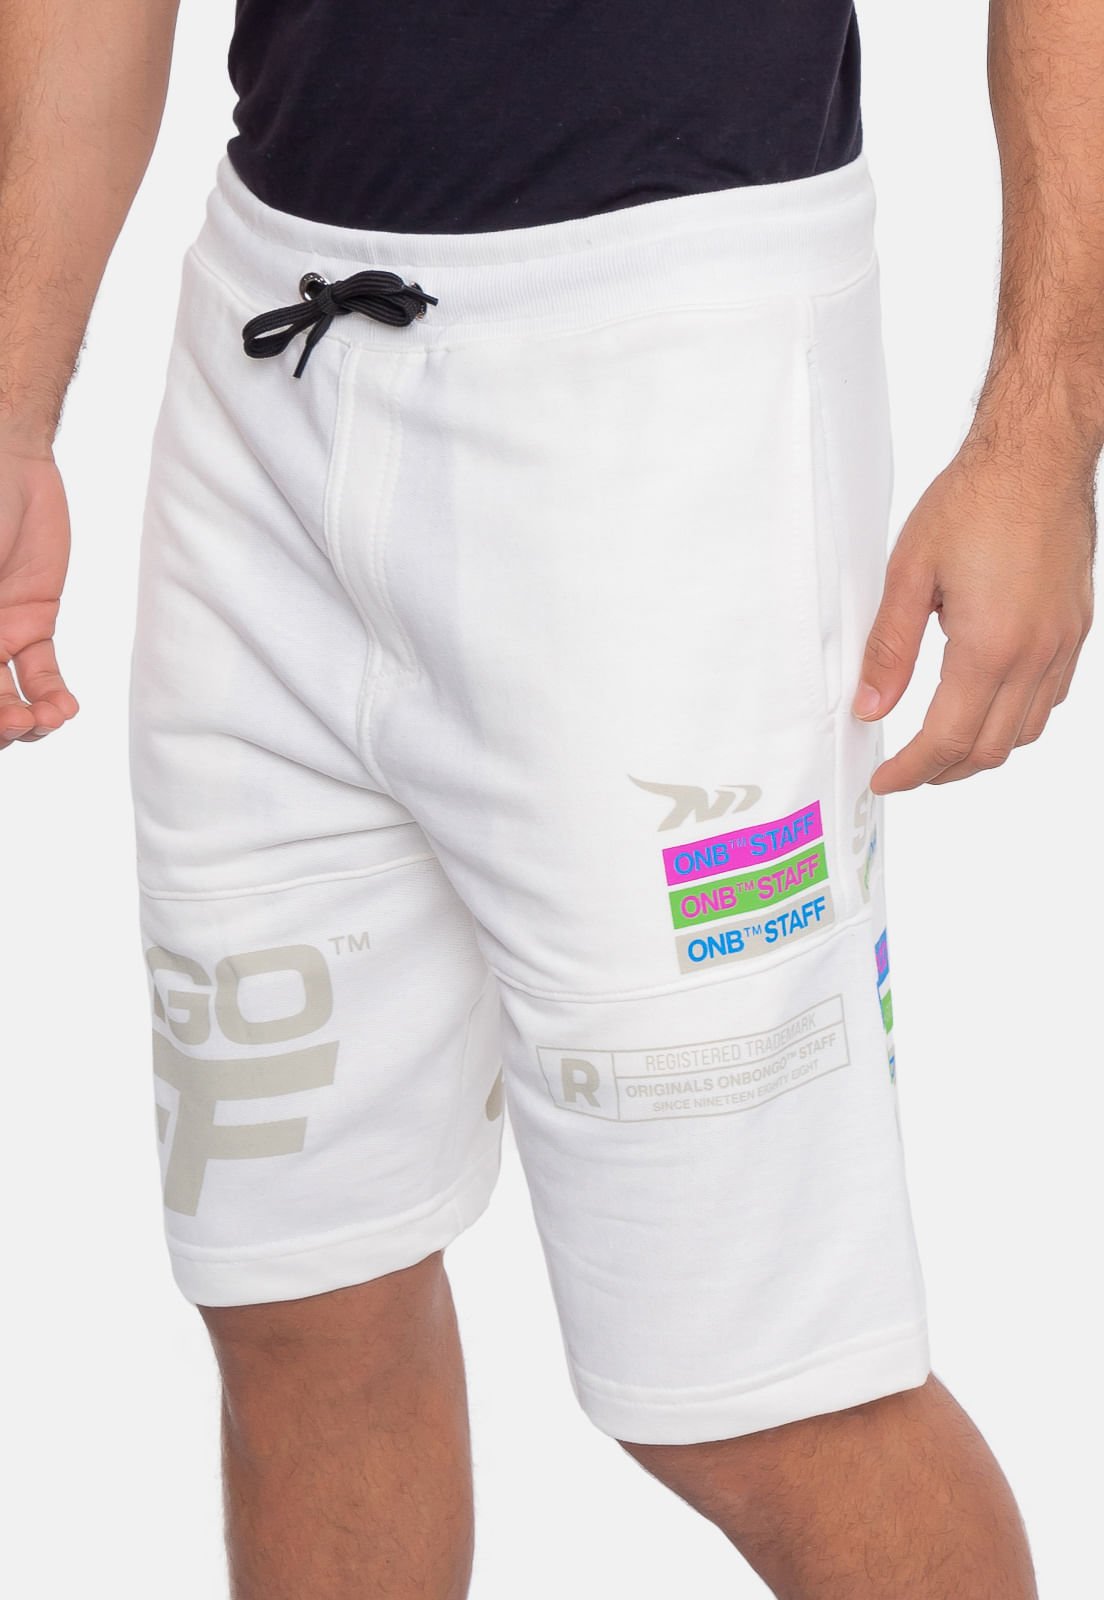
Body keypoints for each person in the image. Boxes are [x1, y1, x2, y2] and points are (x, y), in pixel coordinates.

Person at [0, 2, 1096, 1595]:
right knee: (293, 1290)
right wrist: (11, 403)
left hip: (667, 401)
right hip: (270, 359)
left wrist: (1040, 443)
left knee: (763, 1389)